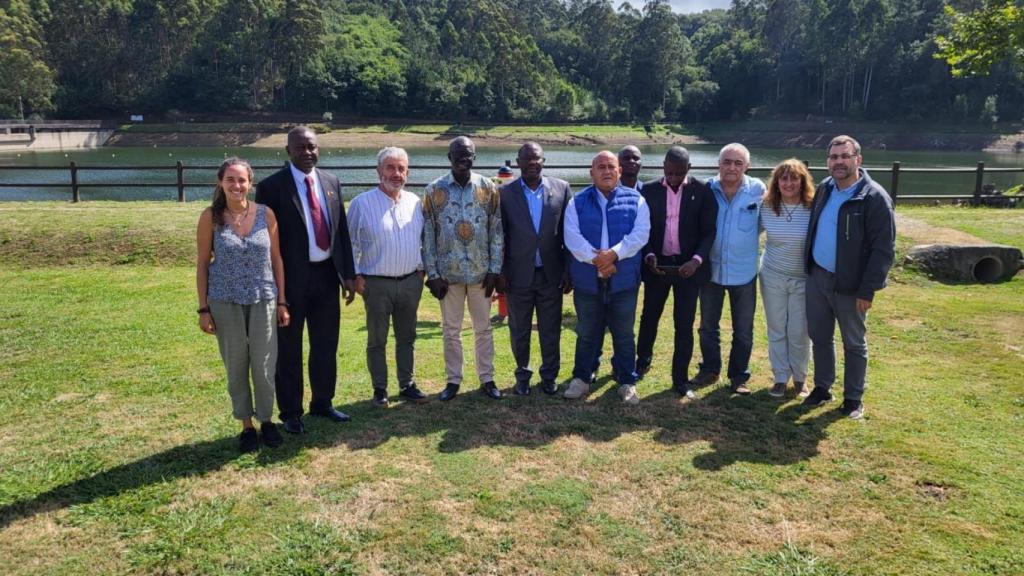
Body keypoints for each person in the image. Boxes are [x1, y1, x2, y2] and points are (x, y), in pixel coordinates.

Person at [254, 126, 356, 435]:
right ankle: (291, 412)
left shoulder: (331, 182)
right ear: (288, 151)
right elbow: (265, 243)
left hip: (327, 276)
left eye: (312, 147)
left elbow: (341, 233)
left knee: (325, 344)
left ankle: (322, 402)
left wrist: (348, 275)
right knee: (289, 349)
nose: (307, 152)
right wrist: (275, 289)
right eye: (300, 148)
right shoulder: (272, 188)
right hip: (291, 281)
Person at [196, 157, 289, 452]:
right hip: (224, 300)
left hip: (264, 298)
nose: (237, 185)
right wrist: (203, 309)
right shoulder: (210, 217)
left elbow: (276, 260)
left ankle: (267, 420)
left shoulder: (266, 214)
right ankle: (246, 425)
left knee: (264, 363)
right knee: (236, 364)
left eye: (242, 180)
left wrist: (283, 301)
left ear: (250, 183)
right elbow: (201, 265)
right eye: (231, 180)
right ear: (221, 182)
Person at [803, 135, 895, 419]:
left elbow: (883, 250)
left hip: (852, 285)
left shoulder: (874, 197)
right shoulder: (824, 189)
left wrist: (868, 290)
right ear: (827, 162)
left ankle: (853, 398)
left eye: (845, 156)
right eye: (833, 157)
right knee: (820, 337)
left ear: (858, 159)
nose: (839, 162)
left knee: (854, 343)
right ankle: (822, 388)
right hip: (818, 277)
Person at [563, 151, 650, 405]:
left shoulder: (636, 200)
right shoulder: (576, 202)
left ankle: (626, 381)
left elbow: (640, 235)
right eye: (601, 167)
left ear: (620, 171)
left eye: (611, 166)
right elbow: (572, 238)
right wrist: (598, 261)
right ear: (591, 172)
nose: (607, 171)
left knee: (623, 333)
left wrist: (613, 255)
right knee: (587, 331)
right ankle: (581, 378)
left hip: (623, 280)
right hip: (588, 280)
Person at [422, 136, 504, 401]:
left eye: (467, 154)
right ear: (449, 157)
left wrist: (495, 269)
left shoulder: (489, 188)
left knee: (483, 329)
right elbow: (428, 236)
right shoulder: (433, 191)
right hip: (449, 275)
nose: (462, 158)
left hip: (481, 273)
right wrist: (433, 274)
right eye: (457, 154)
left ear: (474, 157)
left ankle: (487, 378)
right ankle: (453, 380)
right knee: (451, 330)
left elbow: (496, 231)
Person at [348, 147, 428, 408]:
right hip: (376, 283)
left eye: (401, 168)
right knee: (377, 339)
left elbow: (424, 240)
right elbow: (350, 243)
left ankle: (407, 384)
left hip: (409, 282)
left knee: (407, 336)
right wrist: (355, 275)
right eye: (390, 168)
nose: (396, 174)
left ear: (408, 172)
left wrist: (421, 270)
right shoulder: (362, 203)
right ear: (379, 171)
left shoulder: (416, 202)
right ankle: (380, 388)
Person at [635, 146, 717, 399]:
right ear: (663, 167)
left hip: (688, 270)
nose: (673, 179)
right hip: (657, 267)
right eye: (669, 173)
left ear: (688, 169)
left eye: (678, 174)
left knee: (684, 323)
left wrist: (696, 260)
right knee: (650, 316)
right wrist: (649, 255)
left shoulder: (702, 191)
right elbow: (642, 229)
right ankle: (641, 363)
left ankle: (680, 378)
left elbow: (709, 232)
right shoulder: (648, 191)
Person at [499, 142, 573, 396]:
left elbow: (568, 234)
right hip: (517, 275)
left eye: (536, 159)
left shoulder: (562, 189)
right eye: (526, 159)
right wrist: (501, 271)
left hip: (551, 274)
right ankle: (522, 375)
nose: (532, 163)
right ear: (518, 162)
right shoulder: (504, 193)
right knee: (519, 329)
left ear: (544, 161)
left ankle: (549, 375)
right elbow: (500, 236)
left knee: (550, 329)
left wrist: (568, 269)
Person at [693, 143, 765, 395]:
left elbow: (767, 223)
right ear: (718, 164)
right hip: (711, 271)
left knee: (743, 330)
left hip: (744, 272)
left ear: (747, 166)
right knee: (707, 326)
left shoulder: (758, 190)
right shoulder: (705, 189)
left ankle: (738, 376)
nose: (731, 167)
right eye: (727, 162)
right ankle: (710, 369)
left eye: (738, 163)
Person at [759, 159, 815, 399]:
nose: (789, 183)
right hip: (772, 275)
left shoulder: (813, 207)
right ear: (776, 182)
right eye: (784, 178)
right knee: (777, 328)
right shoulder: (766, 206)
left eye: (794, 178)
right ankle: (781, 377)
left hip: (803, 278)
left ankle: (800, 378)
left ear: (803, 182)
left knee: (799, 331)